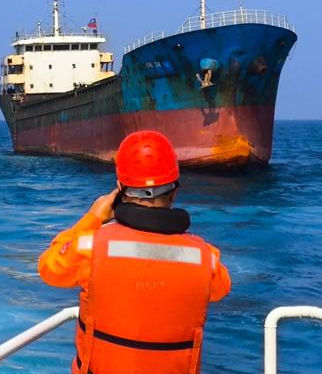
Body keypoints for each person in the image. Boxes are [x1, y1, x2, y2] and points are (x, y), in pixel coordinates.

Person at [38, 130, 231, 374]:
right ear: (175, 191)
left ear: (119, 190)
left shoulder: (91, 248)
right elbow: (221, 288)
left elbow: (49, 268)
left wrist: (94, 217)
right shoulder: (206, 259)